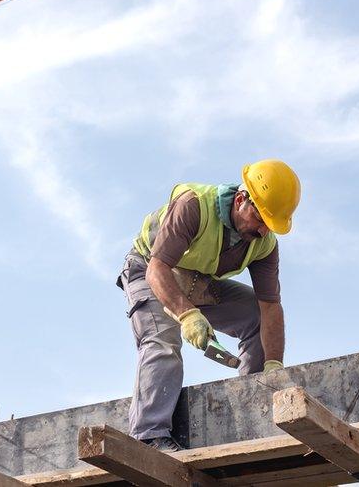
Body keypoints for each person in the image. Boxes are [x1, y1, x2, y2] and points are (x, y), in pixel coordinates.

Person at [117, 159, 301, 452]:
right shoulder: (193, 206)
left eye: (271, 224)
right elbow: (158, 269)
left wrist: (274, 365)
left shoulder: (264, 245)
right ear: (241, 200)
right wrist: (187, 314)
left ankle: (254, 406)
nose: (265, 230)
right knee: (162, 342)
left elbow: (270, 307)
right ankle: (149, 437)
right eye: (261, 219)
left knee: (254, 316)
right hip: (148, 268)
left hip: (196, 279)